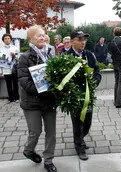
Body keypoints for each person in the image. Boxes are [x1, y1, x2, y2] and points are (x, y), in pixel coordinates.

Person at [17, 25, 57, 172]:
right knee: (35, 131)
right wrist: (42, 90)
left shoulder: (51, 54)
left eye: (43, 35)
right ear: (31, 39)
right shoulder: (25, 57)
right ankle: (28, 150)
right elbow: (24, 81)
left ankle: (48, 160)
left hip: (50, 101)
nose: (42, 37)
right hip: (32, 102)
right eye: (39, 35)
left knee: (51, 133)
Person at [66, 30, 101, 161]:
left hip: (88, 95)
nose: (83, 42)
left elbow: (97, 70)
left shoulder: (89, 55)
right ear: (72, 41)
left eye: (84, 39)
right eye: (80, 39)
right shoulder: (65, 56)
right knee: (77, 123)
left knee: (87, 123)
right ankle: (79, 147)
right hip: (74, 96)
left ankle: (80, 138)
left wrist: (95, 82)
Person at [0, 33, 19, 103]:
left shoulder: (15, 48)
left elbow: (18, 58)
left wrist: (14, 55)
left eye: (8, 38)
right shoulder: (1, 49)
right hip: (5, 69)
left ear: (11, 39)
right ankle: (10, 98)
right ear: (3, 40)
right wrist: (0, 71)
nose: (7, 40)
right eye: (5, 38)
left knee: (15, 84)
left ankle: (17, 98)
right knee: (8, 84)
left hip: (14, 69)